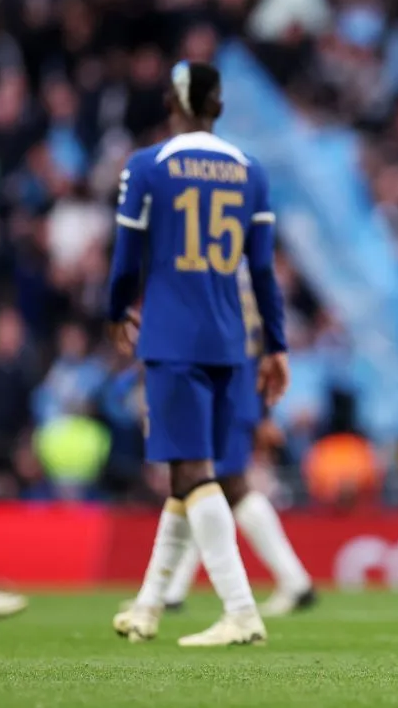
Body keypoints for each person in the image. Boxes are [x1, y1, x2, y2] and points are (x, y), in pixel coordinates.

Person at [106, 60, 289, 646]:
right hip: (230, 340)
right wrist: (277, 345)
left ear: (170, 102)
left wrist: (116, 311)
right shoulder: (249, 170)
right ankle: (149, 606)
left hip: (172, 339)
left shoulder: (146, 166)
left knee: (190, 471)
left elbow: (124, 260)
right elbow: (261, 271)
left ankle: (240, 610)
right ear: (220, 106)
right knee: (192, 475)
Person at [125, 263, 315, 619]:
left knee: (212, 483)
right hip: (238, 390)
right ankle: (174, 589)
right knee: (210, 485)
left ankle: (292, 582)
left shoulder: (208, 268)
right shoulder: (242, 273)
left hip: (221, 391)